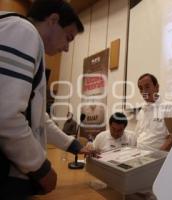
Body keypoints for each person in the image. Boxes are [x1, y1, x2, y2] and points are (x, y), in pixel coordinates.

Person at [0, 0, 92, 199]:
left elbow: (39, 118)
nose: (67, 48)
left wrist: (74, 145)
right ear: (53, 20)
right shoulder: (23, 30)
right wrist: (40, 169)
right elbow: (5, 115)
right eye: (68, 37)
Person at [135, 73, 172, 151]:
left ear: (157, 87)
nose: (144, 91)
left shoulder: (168, 107)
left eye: (147, 87)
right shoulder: (142, 110)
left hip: (157, 157)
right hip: (139, 154)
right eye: (141, 88)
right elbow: (137, 135)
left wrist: (157, 155)